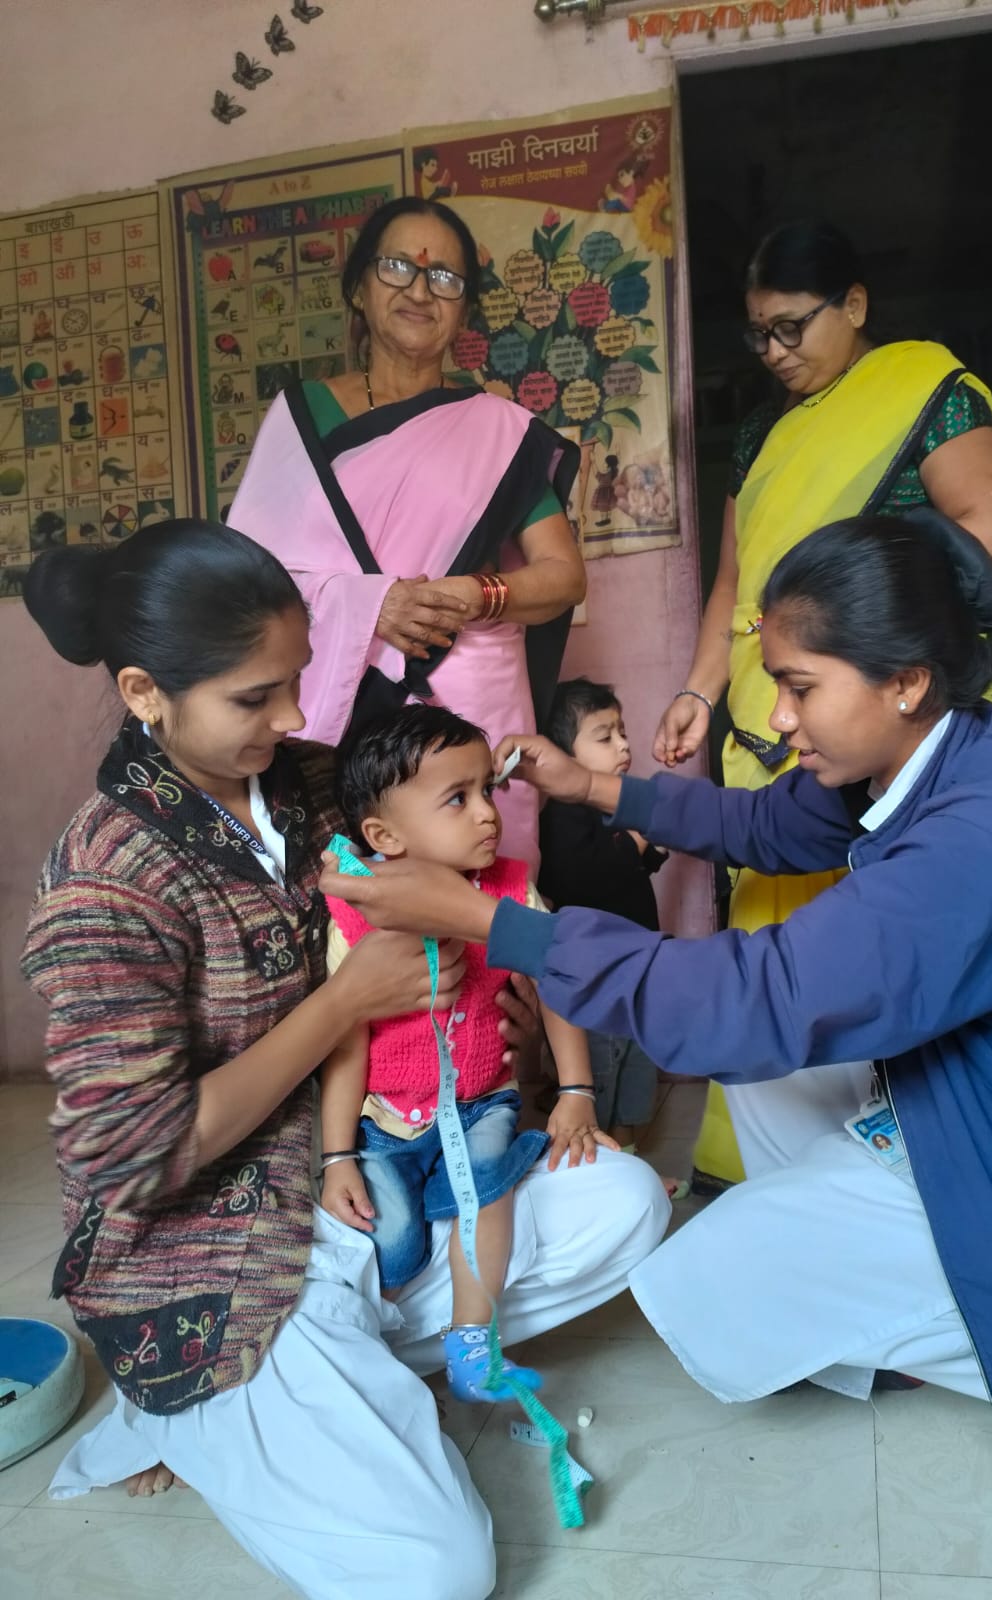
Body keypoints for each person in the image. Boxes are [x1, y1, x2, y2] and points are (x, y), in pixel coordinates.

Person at [322, 510, 992, 1503]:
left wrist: (491, 921)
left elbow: (755, 997)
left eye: (799, 687)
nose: (778, 717)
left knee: (709, 1276)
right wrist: (597, 787)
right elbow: (769, 822)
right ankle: (875, 1238)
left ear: (904, 679)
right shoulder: (945, 747)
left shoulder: (980, 836)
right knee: (775, 1085)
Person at [19, 520, 669, 1599]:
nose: (293, 717)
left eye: (297, 681)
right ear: (145, 692)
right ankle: (210, 1398)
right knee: (437, 1571)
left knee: (624, 1202)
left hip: (375, 1170)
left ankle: (342, 1379)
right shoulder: (102, 882)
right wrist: (343, 1006)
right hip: (217, 1257)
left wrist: (499, 1030)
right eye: (254, 698)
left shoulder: (315, 785)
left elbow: (469, 897)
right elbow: (136, 1156)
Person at [652, 219, 992, 1194]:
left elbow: (991, 528)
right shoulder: (761, 431)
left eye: (793, 327)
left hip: (872, 712)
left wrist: (871, 643)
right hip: (762, 710)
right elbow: (736, 581)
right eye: (758, 335)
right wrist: (697, 691)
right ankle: (764, 1167)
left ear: (854, 306)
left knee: (872, 935)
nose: (775, 353)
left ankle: (890, 1165)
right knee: (765, 930)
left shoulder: (926, 391)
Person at [229, 195, 587, 869]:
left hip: (470, 693)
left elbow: (562, 576)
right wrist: (372, 607)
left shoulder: (497, 431)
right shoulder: (302, 416)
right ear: (359, 289)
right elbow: (245, 580)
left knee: (488, 896)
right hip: (332, 701)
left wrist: (473, 595)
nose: (420, 290)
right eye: (398, 267)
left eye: (445, 278)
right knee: (353, 894)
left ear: (464, 309)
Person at [321, 705, 618, 1402]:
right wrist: (337, 1158)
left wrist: (575, 1091)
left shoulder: (512, 890)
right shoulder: (356, 913)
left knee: (486, 1193)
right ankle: (366, 1353)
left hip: (482, 1099)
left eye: (489, 789)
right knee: (387, 1244)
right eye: (457, 799)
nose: (488, 814)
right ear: (383, 836)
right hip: (385, 1119)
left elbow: (557, 986)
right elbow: (343, 1043)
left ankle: (471, 1345)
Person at [540, 679, 670, 1156]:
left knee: (640, 1060)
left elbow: (632, 872)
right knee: (604, 1062)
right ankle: (605, 1156)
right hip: (596, 969)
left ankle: (633, 1153)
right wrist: (634, 845)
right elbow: (580, 882)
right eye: (604, 736)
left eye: (622, 732)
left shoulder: (616, 801)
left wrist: (650, 850)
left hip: (639, 958)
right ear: (561, 754)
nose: (623, 745)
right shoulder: (563, 816)